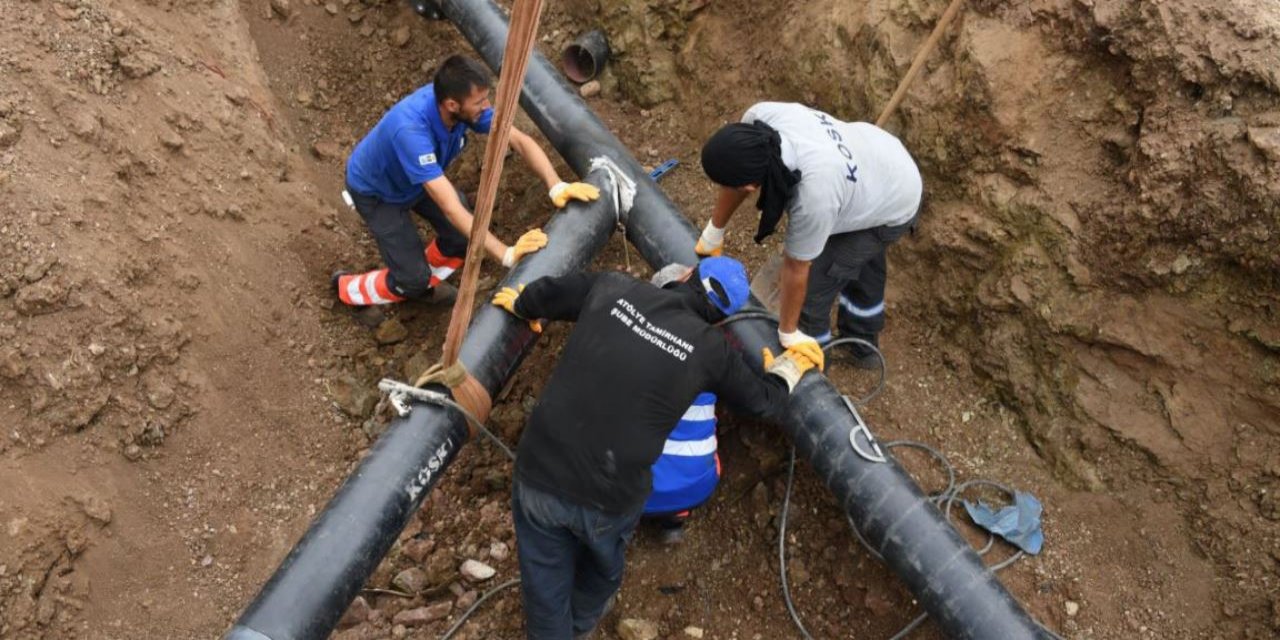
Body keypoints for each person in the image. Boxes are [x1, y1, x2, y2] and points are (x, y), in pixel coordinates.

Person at [490, 257, 818, 640]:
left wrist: (521, 304)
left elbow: (546, 294)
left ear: (686, 277)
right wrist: (787, 371)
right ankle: (579, 626)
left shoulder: (614, 286)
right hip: (608, 496)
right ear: (723, 315)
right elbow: (764, 402)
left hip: (540, 471)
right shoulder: (711, 348)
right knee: (602, 569)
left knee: (544, 584)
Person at [332, 54, 600, 306]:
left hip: (413, 180)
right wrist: (505, 254)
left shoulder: (458, 108)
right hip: (377, 193)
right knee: (412, 281)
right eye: (480, 102)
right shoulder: (410, 131)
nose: (486, 107)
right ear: (452, 105)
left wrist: (556, 186)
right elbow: (449, 206)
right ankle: (348, 289)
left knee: (461, 240)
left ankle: (425, 278)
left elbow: (518, 139)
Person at [695, 101, 923, 368]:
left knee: (818, 280)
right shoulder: (760, 119)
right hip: (879, 158)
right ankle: (863, 342)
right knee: (856, 259)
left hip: (896, 196)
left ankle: (811, 366)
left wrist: (788, 333)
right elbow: (737, 184)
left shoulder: (813, 198)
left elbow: (797, 268)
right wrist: (714, 232)